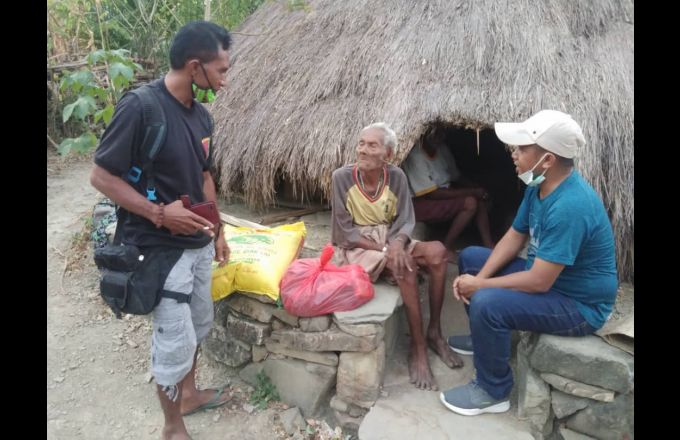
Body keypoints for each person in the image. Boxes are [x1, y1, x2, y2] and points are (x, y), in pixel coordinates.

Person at [90, 21, 233, 439]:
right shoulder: (141, 107)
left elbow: (205, 178)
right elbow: (101, 176)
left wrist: (218, 230)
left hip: (198, 243)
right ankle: (173, 427)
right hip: (156, 247)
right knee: (172, 340)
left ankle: (188, 393)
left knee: (198, 325)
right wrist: (157, 213)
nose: (225, 79)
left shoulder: (202, 115)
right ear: (194, 67)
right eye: (221, 70)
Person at [439, 110, 618, 416]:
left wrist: (480, 285)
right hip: (553, 284)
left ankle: (492, 391)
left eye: (522, 149)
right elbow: (514, 236)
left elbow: (539, 281)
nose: (514, 154)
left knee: (486, 301)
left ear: (547, 160)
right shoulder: (538, 185)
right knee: (471, 258)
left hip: (578, 304)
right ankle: (484, 338)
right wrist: (479, 275)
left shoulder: (571, 205)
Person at [331, 122, 463, 391]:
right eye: (361, 143)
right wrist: (386, 250)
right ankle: (418, 348)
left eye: (372, 145)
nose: (363, 150)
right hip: (360, 247)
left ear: (388, 155)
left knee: (437, 253)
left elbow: (405, 221)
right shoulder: (341, 178)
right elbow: (343, 233)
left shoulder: (397, 177)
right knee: (404, 266)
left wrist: (397, 243)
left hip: (391, 238)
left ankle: (434, 332)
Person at [402, 128, 494, 262]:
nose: (439, 136)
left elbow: (455, 176)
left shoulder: (442, 149)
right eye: (434, 132)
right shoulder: (416, 155)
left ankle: (488, 245)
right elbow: (432, 193)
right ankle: (447, 247)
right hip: (419, 202)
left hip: (441, 194)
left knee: (478, 199)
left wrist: (476, 188)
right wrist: (473, 192)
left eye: (441, 132)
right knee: (470, 203)